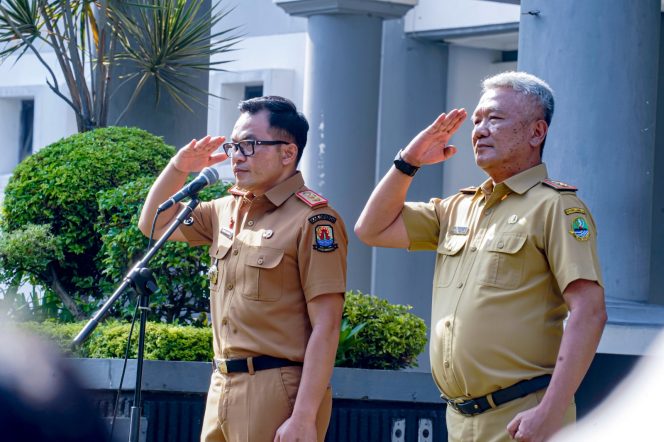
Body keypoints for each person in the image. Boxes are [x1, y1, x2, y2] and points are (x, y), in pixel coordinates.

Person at [354, 71, 607, 442]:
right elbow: (371, 229)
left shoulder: (556, 207)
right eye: (476, 120)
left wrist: (550, 412)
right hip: (459, 419)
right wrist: (409, 161)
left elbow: (590, 310)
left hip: (525, 417)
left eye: (495, 118)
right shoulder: (458, 207)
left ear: (537, 132)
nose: (479, 130)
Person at [138, 96, 347, 442]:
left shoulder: (313, 220)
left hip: (276, 387)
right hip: (222, 383)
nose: (237, 155)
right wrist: (179, 167)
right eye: (234, 145)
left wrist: (304, 416)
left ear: (287, 152)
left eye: (249, 145)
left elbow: (326, 325)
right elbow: (154, 224)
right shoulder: (225, 210)